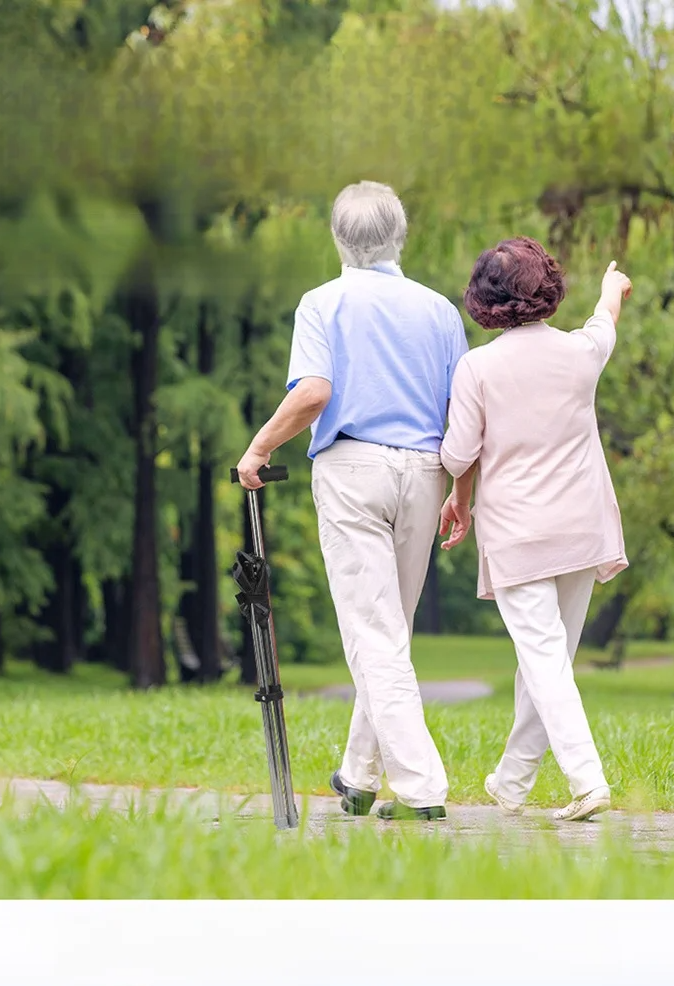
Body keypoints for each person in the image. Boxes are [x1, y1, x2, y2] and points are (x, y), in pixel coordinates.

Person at [235, 180, 471, 820]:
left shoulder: (322, 303)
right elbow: (462, 414)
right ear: (401, 236)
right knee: (389, 629)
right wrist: (460, 492)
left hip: (353, 468)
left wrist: (258, 449)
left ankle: (422, 789)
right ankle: (360, 777)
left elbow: (314, 393)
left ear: (338, 239)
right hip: (426, 472)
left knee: (374, 633)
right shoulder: (440, 311)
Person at [439, 237, 632, 821]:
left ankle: (587, 780)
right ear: (546, 288)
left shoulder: (478, 367)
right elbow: (605, 321)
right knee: (547, 661)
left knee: (544, 660)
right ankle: (514, 782)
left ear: (485, 298)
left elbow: (456, 455)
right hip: (582, 529)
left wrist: (458, 487)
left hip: (520, 535)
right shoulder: (580, 353)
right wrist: (610, 287)